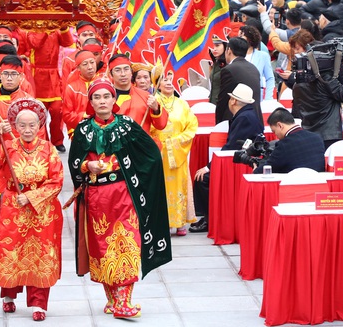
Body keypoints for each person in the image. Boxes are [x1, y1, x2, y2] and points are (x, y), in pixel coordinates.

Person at [68, 78, 171, 318]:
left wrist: (144, 177)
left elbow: (151, 156)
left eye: (106, 97)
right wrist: (86, 165)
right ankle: (113, 299)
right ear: (90, 102)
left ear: (114, 100)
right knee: (102, 248)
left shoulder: (127, 124)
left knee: (126, 245)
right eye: (97, 97)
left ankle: (124, 302)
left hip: (124, 194)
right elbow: (74, 164)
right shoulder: (83, 130)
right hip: (96, 197)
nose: (102, 101)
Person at [0, 99, 63, 322]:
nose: (27, 130)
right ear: (14, 126)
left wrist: (32, 196)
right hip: (13, 208)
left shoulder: (48, 149)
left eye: (32, 125)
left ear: (40, 125)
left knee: (40, 255)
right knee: (11, 252)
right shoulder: (8, 147)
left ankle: (39, 303)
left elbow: (57, 181)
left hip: (42, 210)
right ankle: (8, 296)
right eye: (22, 125)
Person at [0, 55, 47, 267]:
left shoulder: (27, 101)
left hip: (20, 158)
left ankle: (20, 246)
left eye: (13, 74)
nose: (9, 78)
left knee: (20, 203)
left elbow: (38, 130)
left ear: (21, 76)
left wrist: (16, 131)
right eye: (5, 73)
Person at [191, 84, 264, 233]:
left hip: (241, 162)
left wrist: (209, 167)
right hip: (241, 157)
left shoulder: (244, 118)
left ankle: (208, 218)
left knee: (202, 178)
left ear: (233, 101)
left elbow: (231, 147)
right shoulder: (246, 115)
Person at [150, 67, 198, 236]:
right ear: (157, 83)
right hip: (159, 151)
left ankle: (179, 221)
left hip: (178, 152)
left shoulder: (182, 103)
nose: (169, 83)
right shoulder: (153, 102)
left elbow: (192, 126)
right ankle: (164, 221)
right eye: (164, 79)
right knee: (161, 186)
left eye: (171, 79)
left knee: (179, 185)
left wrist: (177, 142)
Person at [292, 43, 343, 149]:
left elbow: (297, 112)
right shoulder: (326, 80)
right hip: (330, 137)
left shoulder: (297, 84)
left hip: (308, 135)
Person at [108, 54, 168, 138]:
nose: (123, 74)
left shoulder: (146, 96)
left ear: (131, 72)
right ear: (111, 74)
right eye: (118, 70)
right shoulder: (104, 97)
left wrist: (156, 109)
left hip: (140, 148)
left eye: (126, 69)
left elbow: (161, 125)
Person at [253, 108, 325, 173]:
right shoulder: (317, 138)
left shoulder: (284, 145)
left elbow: (268, 168)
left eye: (274, 131)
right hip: (318, 184)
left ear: (280, 126)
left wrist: (256, 169)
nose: (275, 135)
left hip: (293, 184)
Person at [215, 37, 262, 124]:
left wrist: (219, 124)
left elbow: (223, 100)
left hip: (237, 121)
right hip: (255, 119)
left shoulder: (229, 69)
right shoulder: (253, 68)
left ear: (229, 50)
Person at [61, 50, 97, 138]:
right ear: (78, 68)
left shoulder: (104, 82)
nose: (90, 67)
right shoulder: (71, 88)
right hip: (78, 130)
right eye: (85, 64)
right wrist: (84, 116)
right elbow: (66, 114)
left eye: (92, 62)